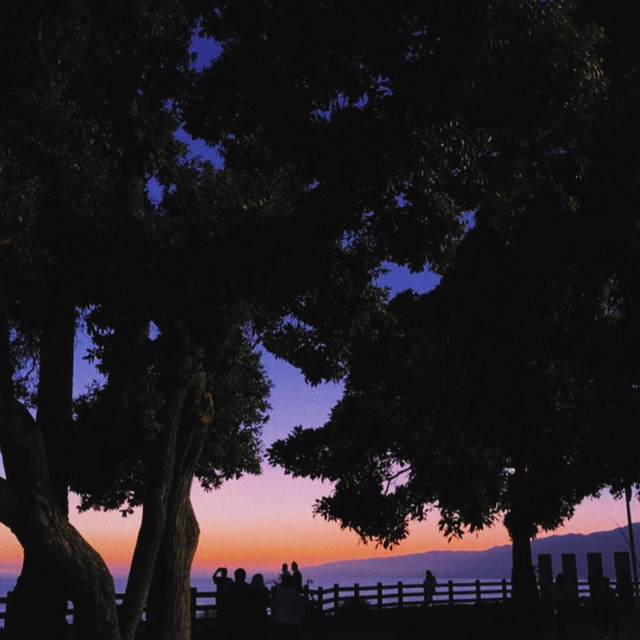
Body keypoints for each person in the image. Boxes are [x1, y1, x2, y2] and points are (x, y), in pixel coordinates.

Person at [271, 574, 305, 640]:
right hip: (293, 625)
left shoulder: (278, 594)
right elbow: (302, 611)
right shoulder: (296, 595)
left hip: (279, 623)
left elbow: (273, 608)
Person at [212, 567, 234, 637]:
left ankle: (220, 630)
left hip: (223, 600)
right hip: (225, 601)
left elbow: (213, 577)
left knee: (221, 615)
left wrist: (217, 571)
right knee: (223, 615)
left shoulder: (220, 580)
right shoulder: (228, 580)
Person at [248, 573, 271, 639]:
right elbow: (268, 603)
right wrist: (269, 615)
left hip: (252, 615)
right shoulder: (265, 590)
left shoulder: (250, 590)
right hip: (262, 614)